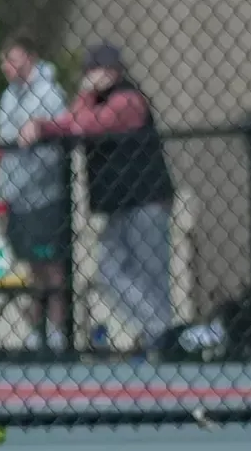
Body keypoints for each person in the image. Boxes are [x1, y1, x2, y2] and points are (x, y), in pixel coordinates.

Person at [21, 43, 175, 352]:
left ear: (117, 71)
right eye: (91, 71)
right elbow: (70, 122)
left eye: (102, 70)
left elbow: (86, 126)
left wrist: (84, 96)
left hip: (145, 199)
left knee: (151, 272)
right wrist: (41, 125)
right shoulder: (96, 101)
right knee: (108, 269)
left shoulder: (128, 99)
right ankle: (160, 331)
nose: (96, 76)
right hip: (120, 202)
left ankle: (163, 335)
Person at [0, 32, 70, 351]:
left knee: (51, 265)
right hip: (18, 195)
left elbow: (51, 144)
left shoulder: (49, 93)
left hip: (43, 195)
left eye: (13, 58)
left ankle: (56, 329)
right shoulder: (9, 95)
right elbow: (5, 134)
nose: (7, 66)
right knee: (32, 266)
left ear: (30, 58)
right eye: (4, 60)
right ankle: (37, 328)